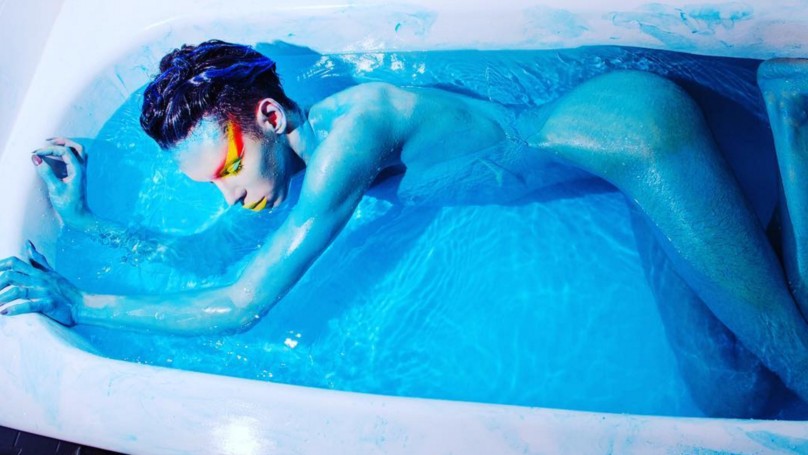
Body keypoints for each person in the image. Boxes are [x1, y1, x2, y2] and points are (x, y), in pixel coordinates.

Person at [1, 40, 807, 415]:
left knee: (795, 361)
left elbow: (243, 302)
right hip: (614, 164)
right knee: (732, 392)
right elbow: (213, 253)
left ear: (270, 115)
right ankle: (763, 197)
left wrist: (83, 304)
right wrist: (90, 224)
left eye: (226, 170)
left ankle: (788, 114)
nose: (229, 194)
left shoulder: (350, 138)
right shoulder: (292, 157)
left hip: (637, 138)